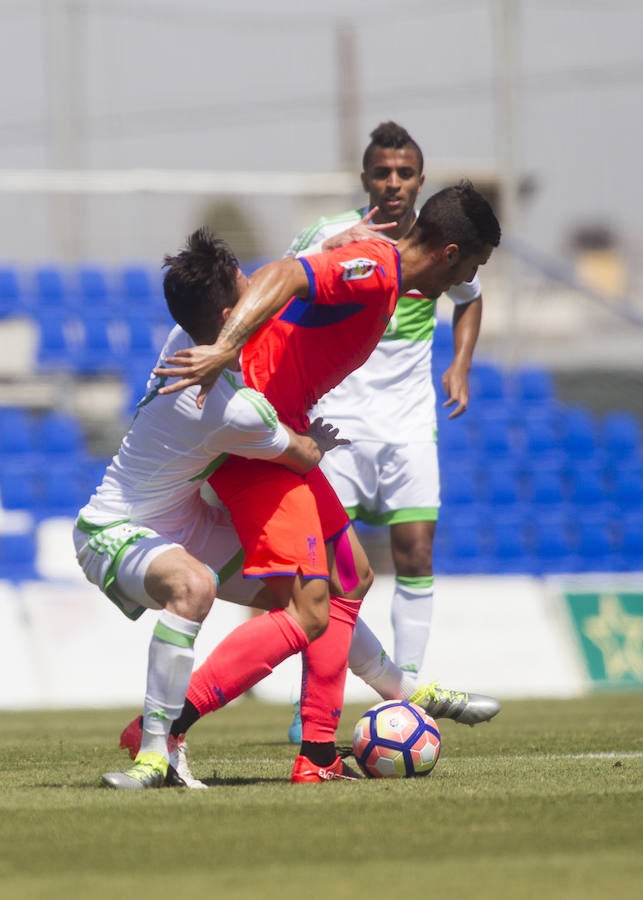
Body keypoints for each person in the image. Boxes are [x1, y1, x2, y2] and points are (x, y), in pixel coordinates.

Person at [144, 182, 501, 784]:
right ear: (450, 253)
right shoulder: (376, 270)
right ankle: (164, 727)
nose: (468, 277)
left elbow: (311, 277)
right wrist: (224, 351)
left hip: (282, 432)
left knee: (352, 576)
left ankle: (316, 756)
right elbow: (286, 274)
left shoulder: (384, 272)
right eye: (472, 264)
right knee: (309, 607)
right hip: (257, 442)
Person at [73, 230, 348, 789]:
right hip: (113, 529)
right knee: (193, 586)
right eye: (248, 285)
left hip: (184, 521)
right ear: (230, 313)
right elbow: (301, 456)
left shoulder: (184, 335)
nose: (257, 290)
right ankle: (156, 754)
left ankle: (394, 695)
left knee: (306, 597)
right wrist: (311, 439)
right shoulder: (231, 409)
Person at [290, 122, 485, 690]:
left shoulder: (438, 251)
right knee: (326, 571)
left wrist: (461, 363)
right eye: (382, 172)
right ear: (365, 178)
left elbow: (471, 298)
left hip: (407, 427)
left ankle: (410, 693)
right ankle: (316, 698)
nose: (393, 183)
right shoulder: (332, 234)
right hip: (336, 427)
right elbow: (282, 286)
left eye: (404, 173)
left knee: (416, 552)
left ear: (421, 181)